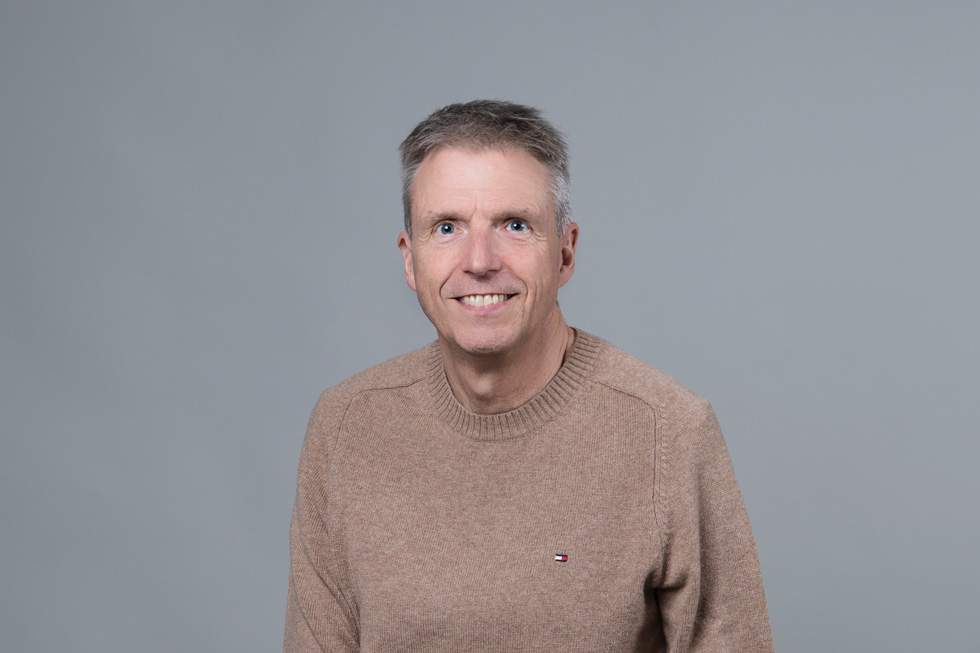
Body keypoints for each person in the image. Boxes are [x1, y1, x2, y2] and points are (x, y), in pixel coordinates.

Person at [284, 100, 773, 652]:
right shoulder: (346, 427)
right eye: (447, 228)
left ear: (564, 253)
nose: (479, 261)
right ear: (410, 259)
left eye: (514, 225)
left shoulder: (668, 431)